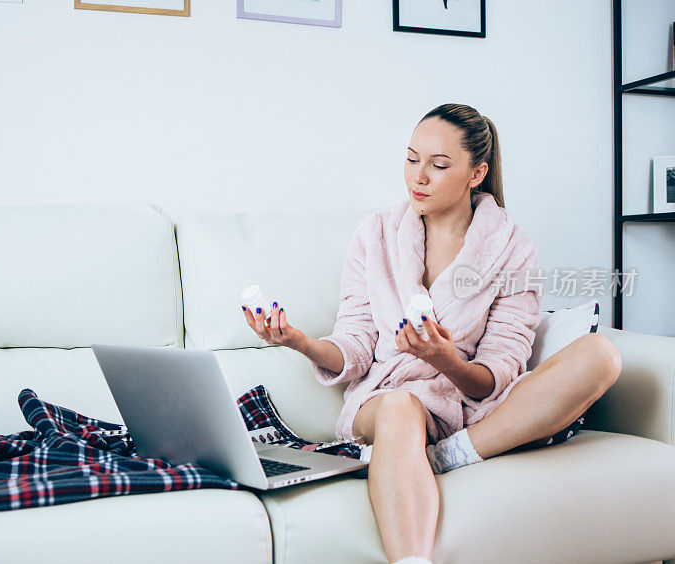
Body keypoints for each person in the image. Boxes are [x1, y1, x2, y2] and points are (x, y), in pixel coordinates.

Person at [240, 103, 623, 564]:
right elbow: (356, 345)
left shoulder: (513, 248)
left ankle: (450, 455)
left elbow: (500, 369)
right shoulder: (376, 235)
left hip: (470, 409)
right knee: (403, 406)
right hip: (385, 399)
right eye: (411, 158)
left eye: (438, 165)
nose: (417, 177)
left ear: (476, 173)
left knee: (601, 355)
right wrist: (298, 341)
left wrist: (448, 361)